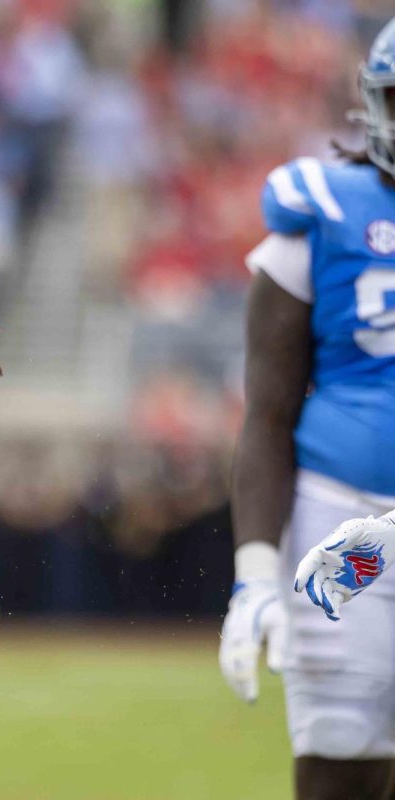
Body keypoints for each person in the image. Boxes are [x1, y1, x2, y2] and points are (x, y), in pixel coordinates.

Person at [220, 18, 395, 799]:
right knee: (340, 758)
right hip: (345, 518)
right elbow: (266, 415)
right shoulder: (320, 213)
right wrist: (255, 577)